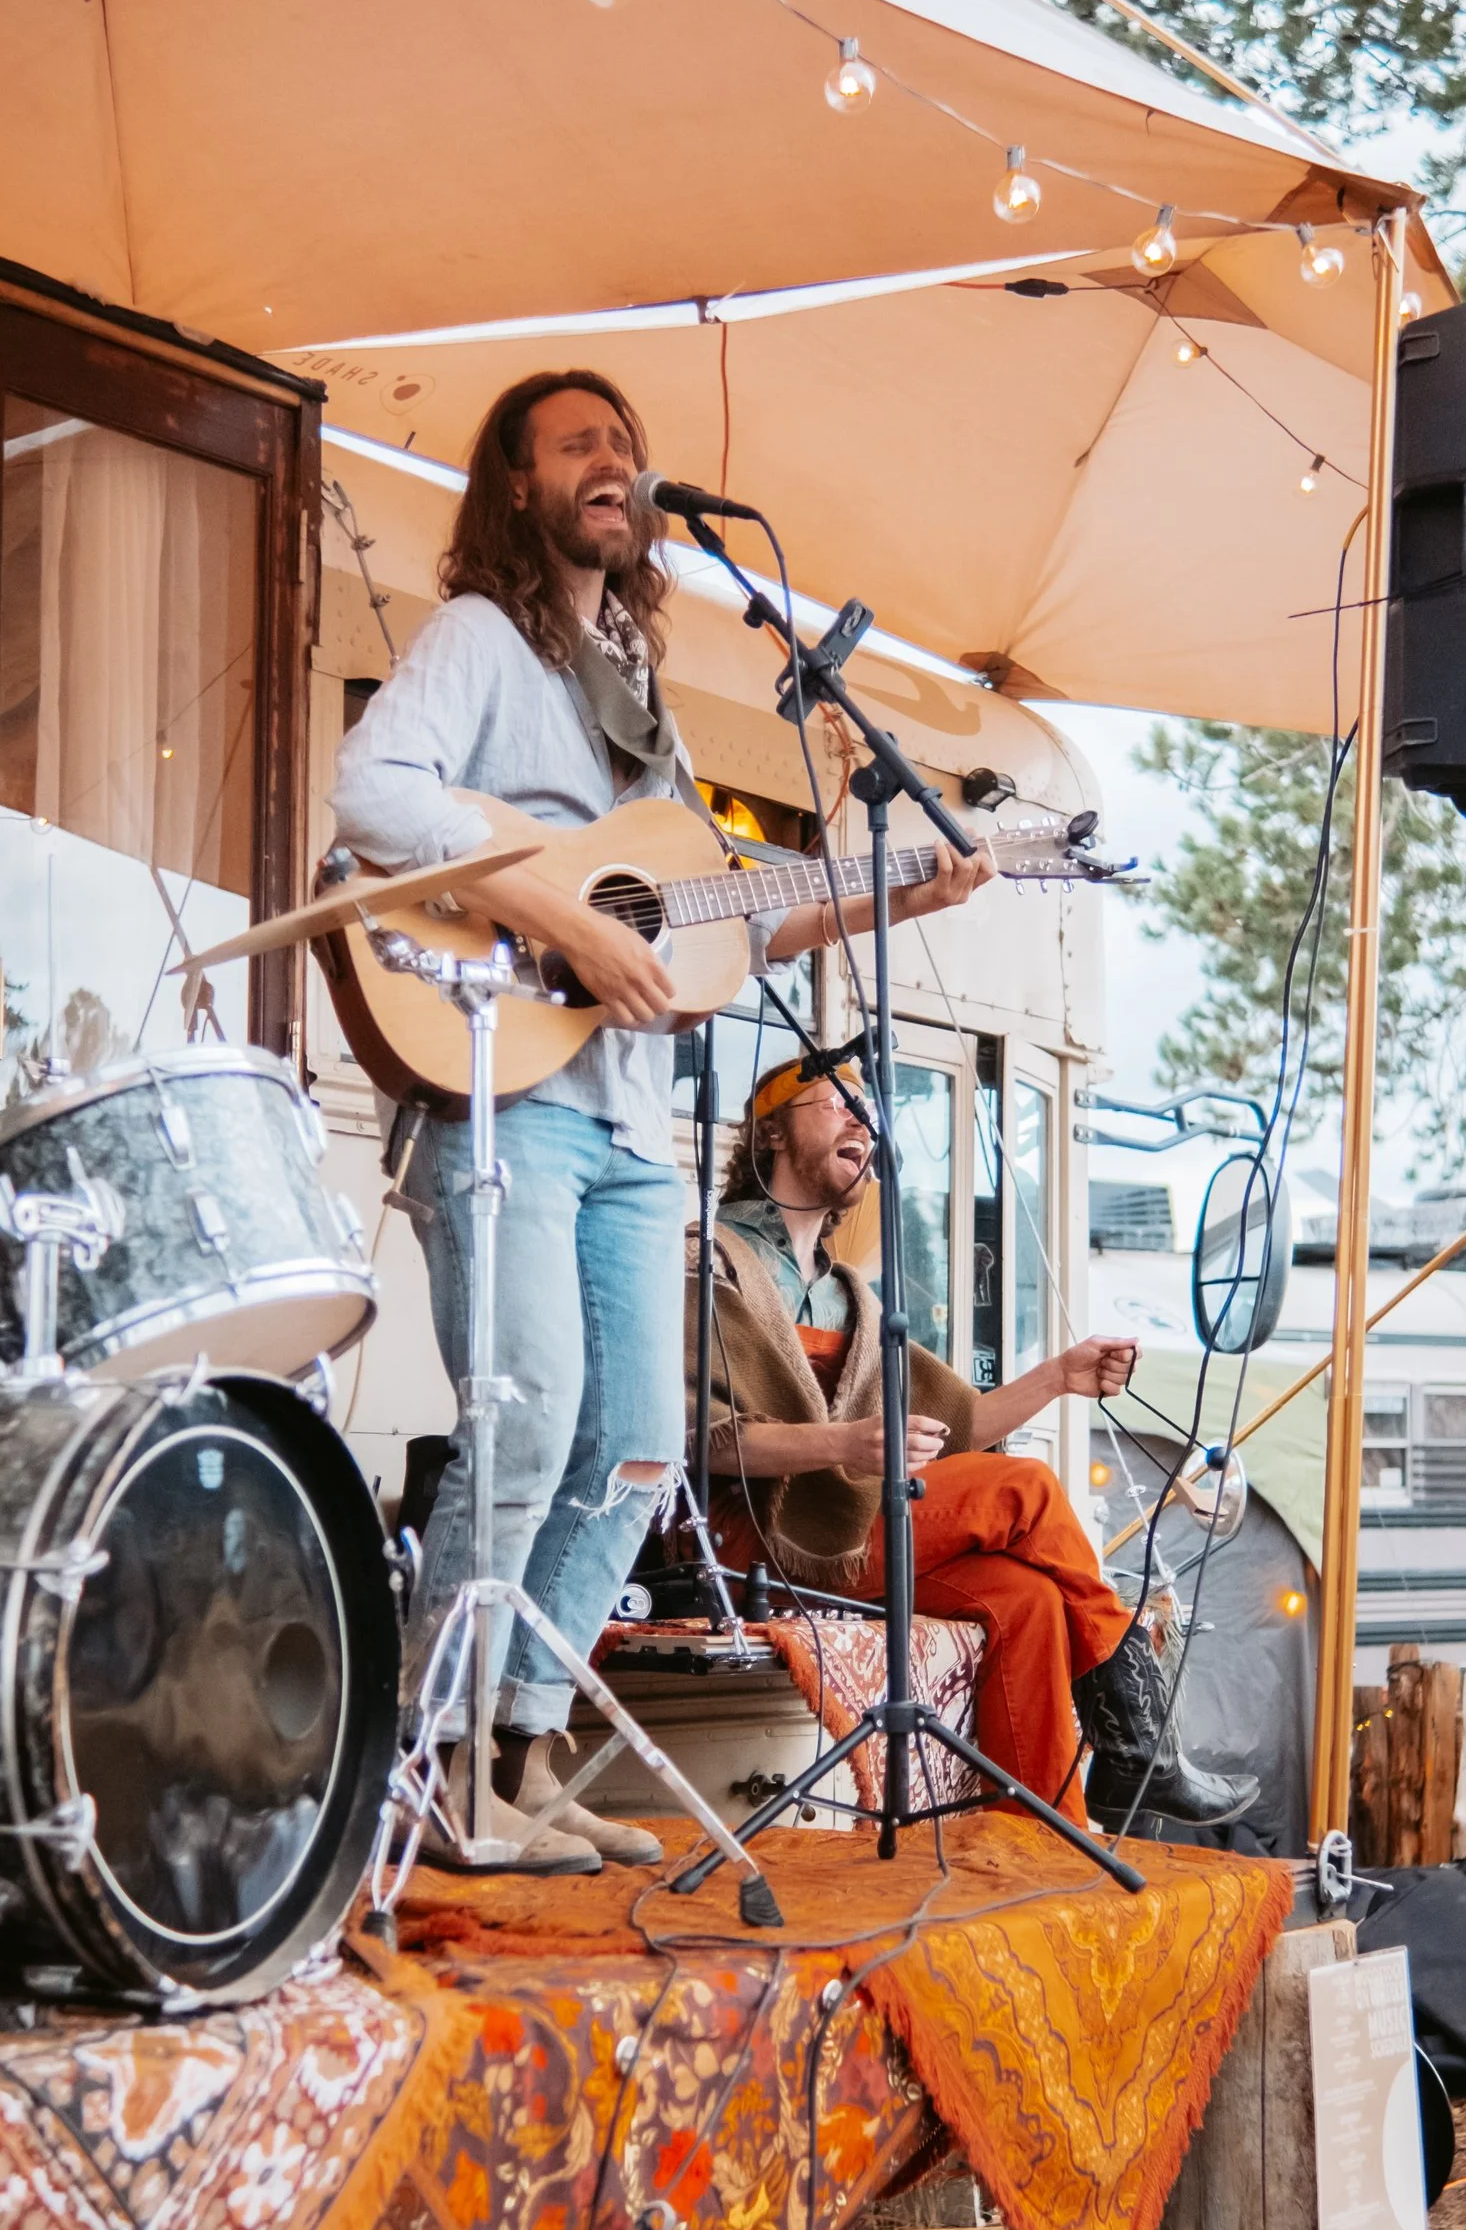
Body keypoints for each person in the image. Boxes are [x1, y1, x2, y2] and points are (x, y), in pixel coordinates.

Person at [329, 369, 992, 1868]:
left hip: (631, 1133)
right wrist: (557, 908)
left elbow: (710, 928)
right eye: (580, 443)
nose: (614, 461)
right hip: (501, 1096)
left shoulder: (639, 707)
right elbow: (373, 792)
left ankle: (523, 1745)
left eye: (625, 443)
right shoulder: (480, 640)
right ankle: (434, 1767)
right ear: (518, 485)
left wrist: (901, 888)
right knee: (531, 1412)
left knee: (636, 1443)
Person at [696, 1052, 1256, 1835]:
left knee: (1023, 1599)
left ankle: (1042, 1836)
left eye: (867, 1109)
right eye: (833, 1103)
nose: (861, 1119)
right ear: (770, 1138)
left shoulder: (848, 1290)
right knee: (1023, 1487)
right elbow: (701, 1440)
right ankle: (1141, 1750)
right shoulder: (710, 1257)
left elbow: (958, 1423)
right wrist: (846, 1445)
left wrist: (1062, 1375)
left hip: (852, 1529)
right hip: (757, 1542)